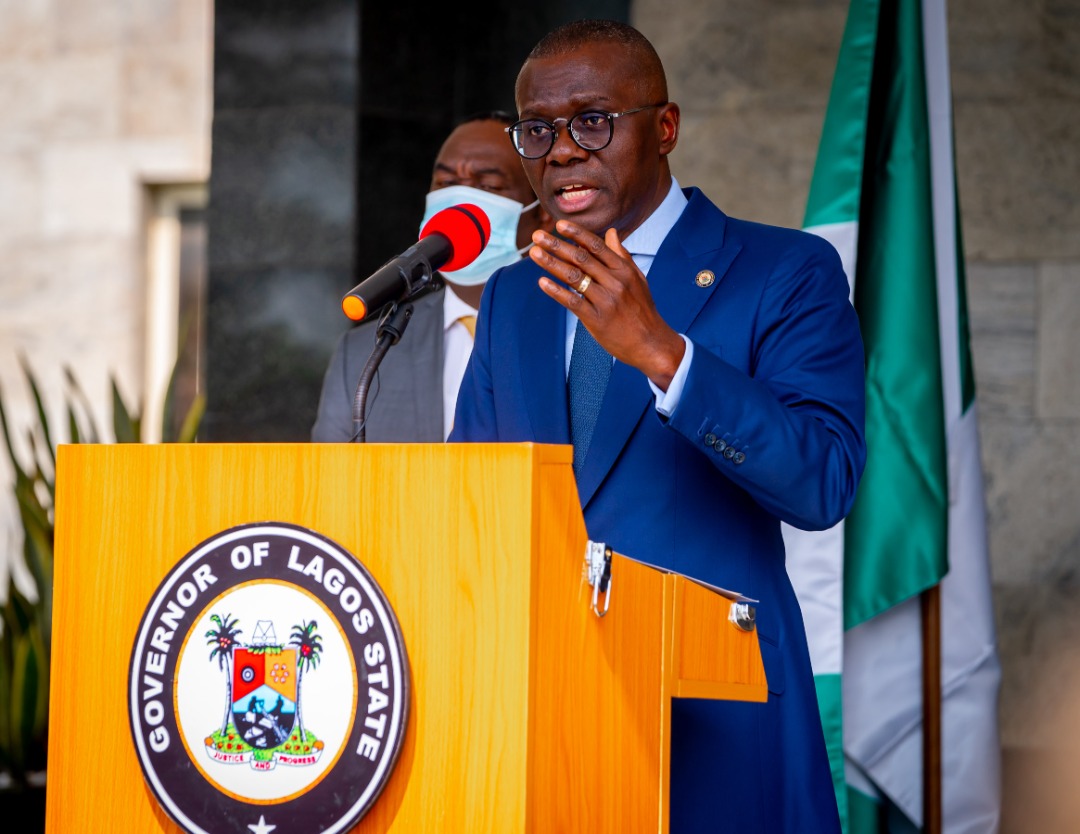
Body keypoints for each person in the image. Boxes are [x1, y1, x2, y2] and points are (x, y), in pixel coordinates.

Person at [449, 19, 866, 833]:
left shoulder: (784, 271)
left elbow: (823, 480)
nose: (561, 150)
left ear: (665, 127)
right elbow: (470, 502)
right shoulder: (511, 298)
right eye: (537, 129)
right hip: (539, 721)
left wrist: (667, 357)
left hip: (718, 721)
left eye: (593, 120)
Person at [311, 111, 551, 442]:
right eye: (447, 184)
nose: (460, 206)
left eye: (489, 185)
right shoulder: (365, 352)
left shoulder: (576, 330)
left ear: (542, 215)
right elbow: (329, 483)